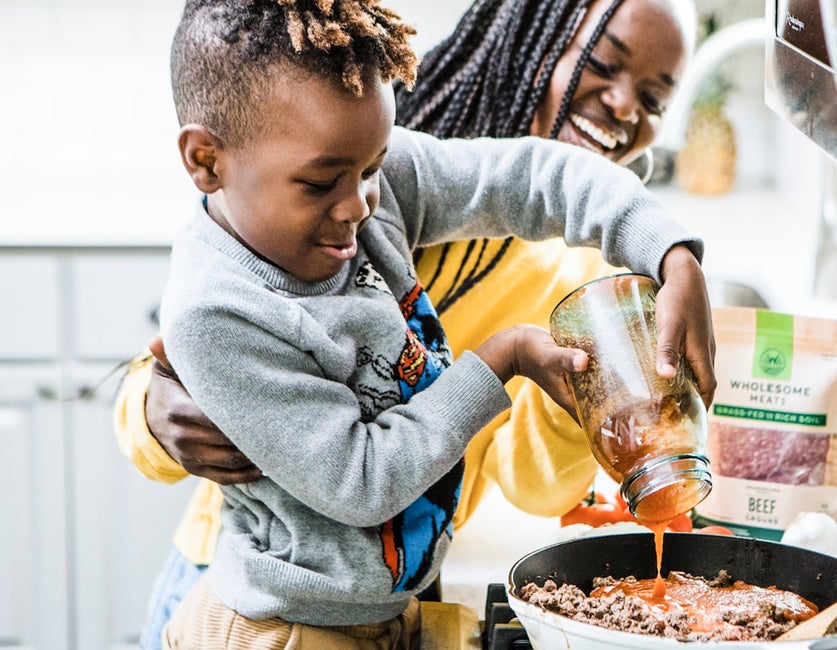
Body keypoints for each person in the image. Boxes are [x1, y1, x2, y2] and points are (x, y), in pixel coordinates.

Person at [114, 0, 713, 645]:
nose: (360, 206)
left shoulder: (362, 161)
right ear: (205, 162)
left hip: (385, 600)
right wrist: (500, 359)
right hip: (277, 622)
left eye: (654, 99)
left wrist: (670, 250)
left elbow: (536, 175)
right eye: (601, 63)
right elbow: (361, 480)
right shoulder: (244, 267)